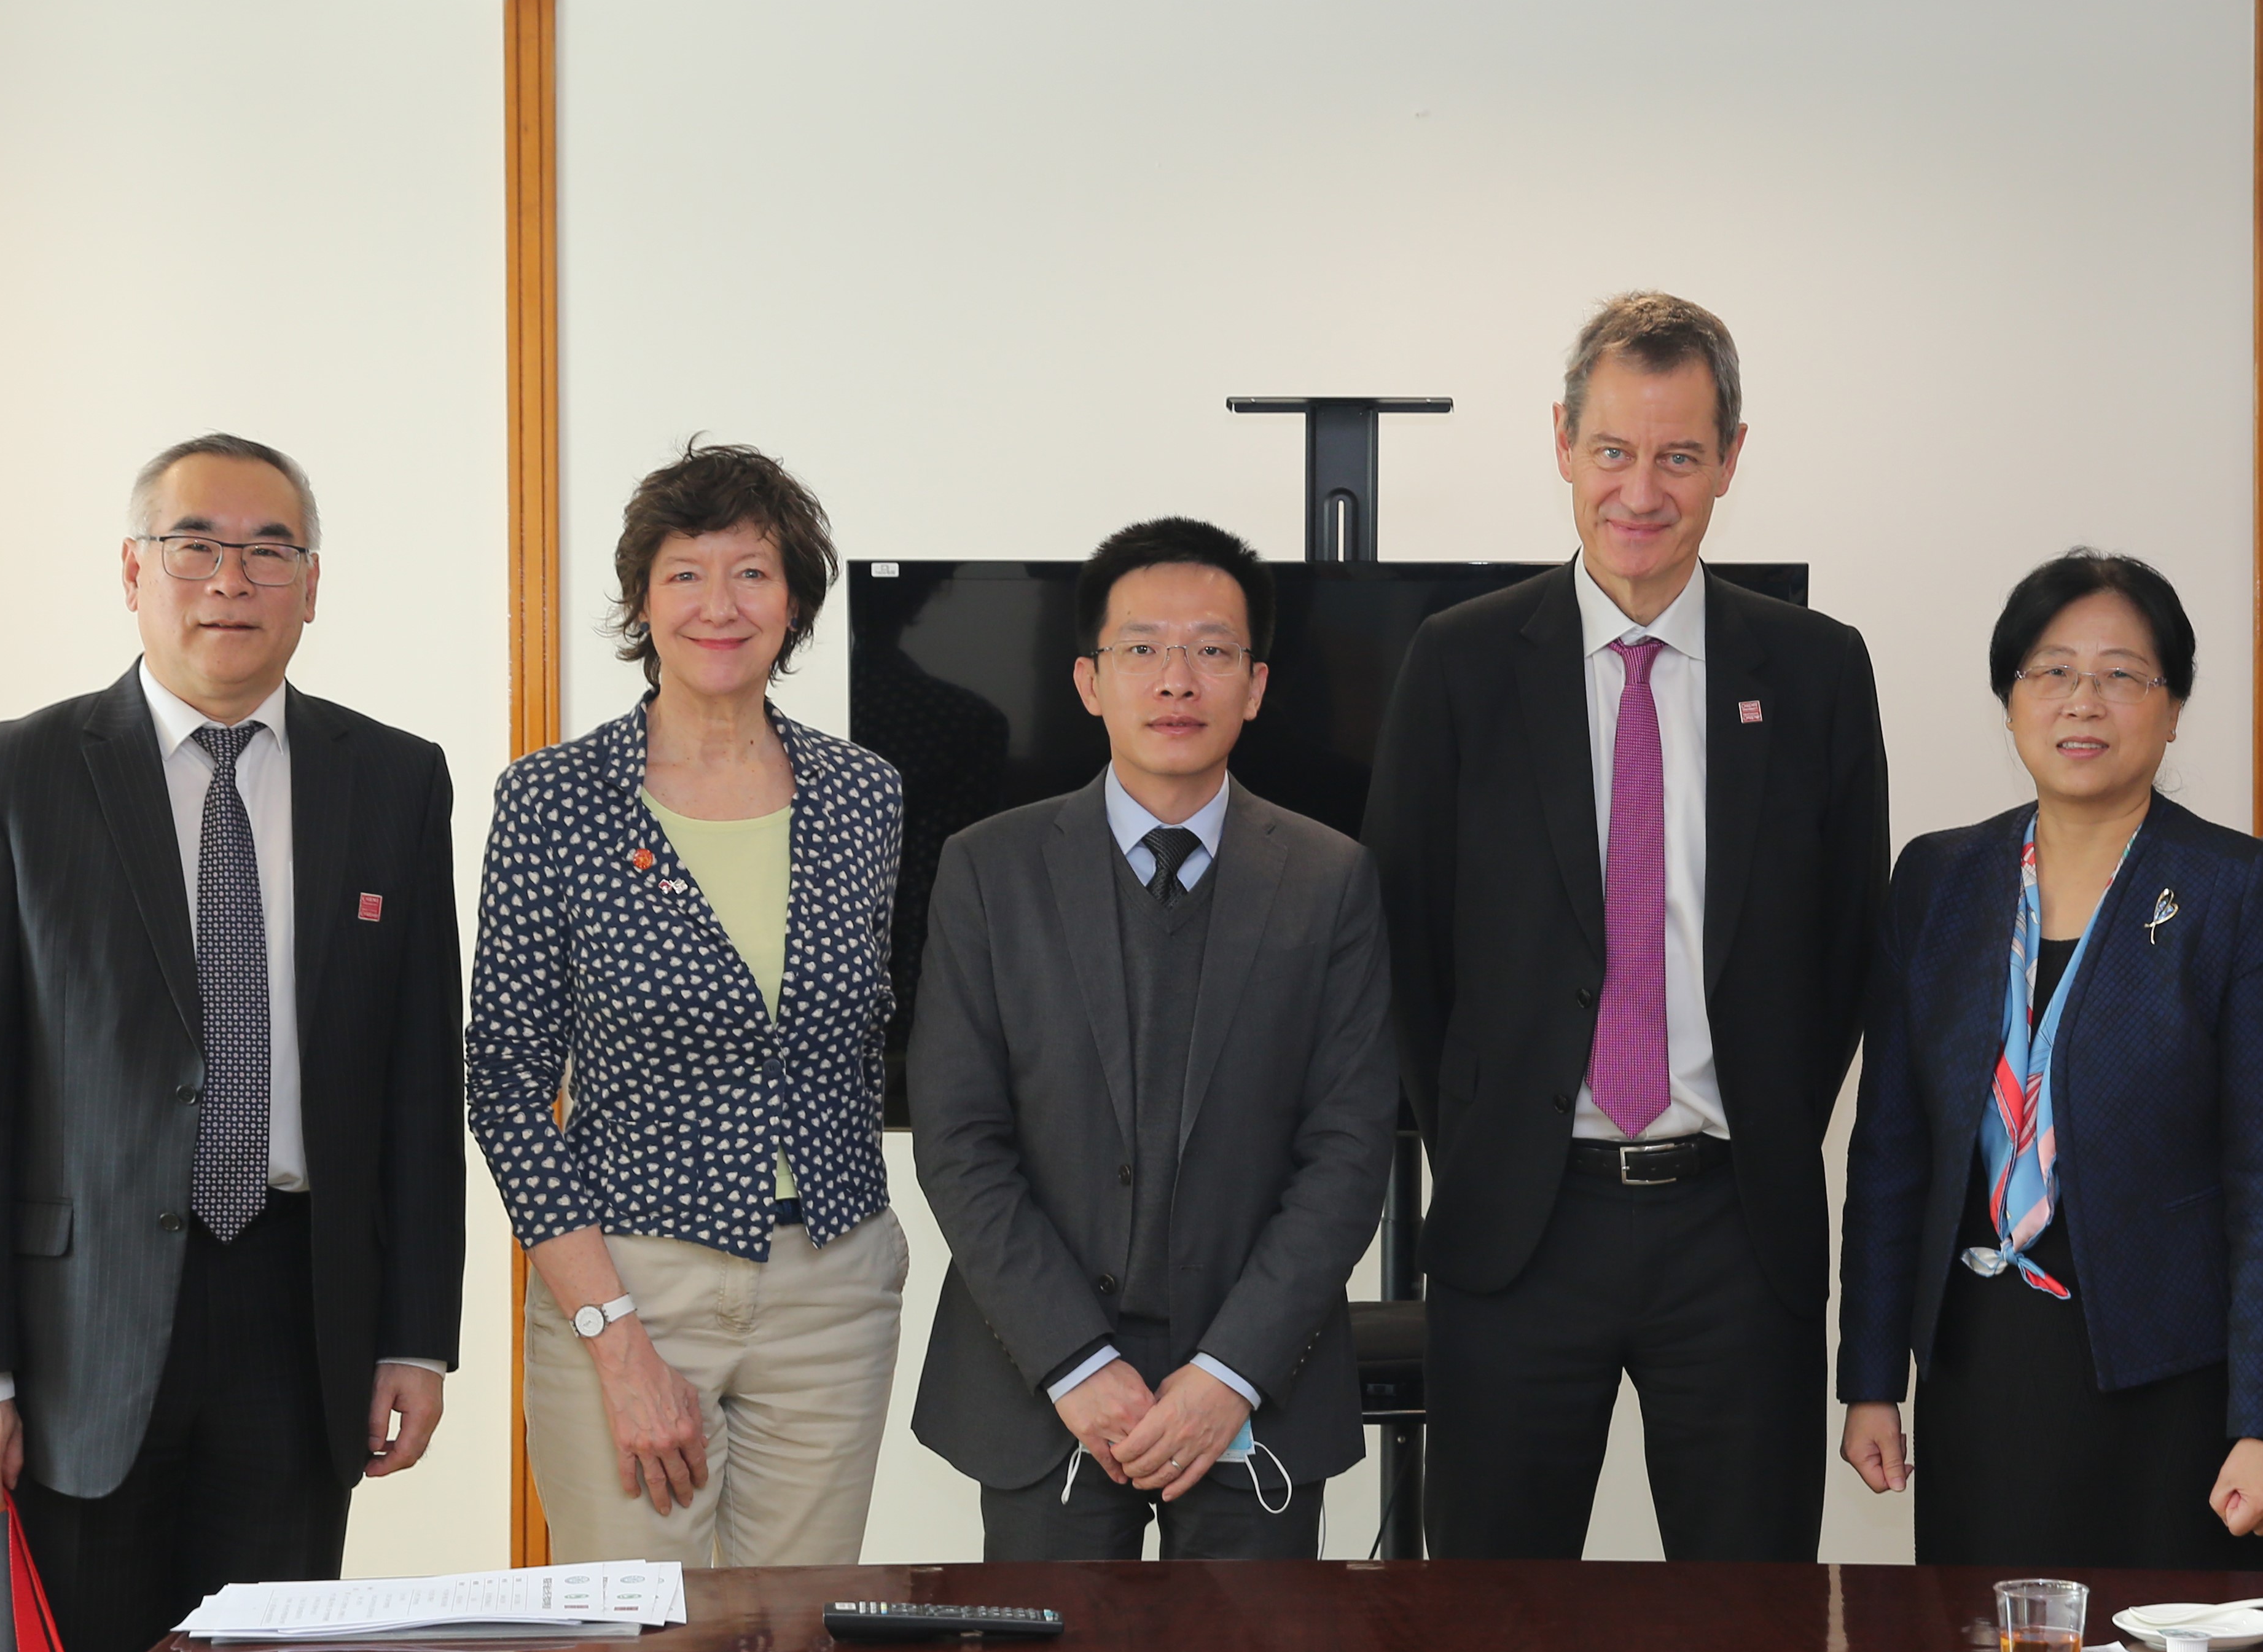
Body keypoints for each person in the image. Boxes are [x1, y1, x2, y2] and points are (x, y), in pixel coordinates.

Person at [0, 435, 464, 1652]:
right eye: (196, 545)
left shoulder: (395, 781)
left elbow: (422, 1086)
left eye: (270, 551)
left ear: (312, 585)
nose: (231, 581)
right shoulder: (14, 779)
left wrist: (417, 1337)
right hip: (75, 1339)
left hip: (301, 1320)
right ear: (133, 571)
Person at [1366, 291, 1889, 1562]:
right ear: (1561, 442)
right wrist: (1489, 1136)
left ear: (1731, 458)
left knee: (1749, 1628)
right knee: (1495, 1629)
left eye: (1679, 456)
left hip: (1736, 1231)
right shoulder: (1460, 664)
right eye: (1611, 450)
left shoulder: (1816, 672)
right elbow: (1406, 944)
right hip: (1521, 1229)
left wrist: (1765, 1117)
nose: (1640, 492)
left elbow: (1843, 953)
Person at [908, 517, 1394, 1559]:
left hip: (1255, 1385)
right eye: (1142, 648)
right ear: (1090, 682)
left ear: (1255, 687)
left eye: (1212, 650)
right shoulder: (989, 870)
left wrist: (1228, 1374)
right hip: (1043, 1389)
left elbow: (1350, 1152)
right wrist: (1076, 1365)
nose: (1177, 679)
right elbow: (959, 1141)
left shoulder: (1329, 880)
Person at [1839, 550, 2263, 1570]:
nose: (2083, 702)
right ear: (2010, 699)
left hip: (2172, 1378)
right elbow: (1891, 1150)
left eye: (2122, 675)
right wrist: (1872, 1378)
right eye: (2052, 671)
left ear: (2174, 708)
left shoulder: (2236, 890)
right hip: (1981, 1362)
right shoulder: (1939, 880)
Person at [470, 442, 906, 1567]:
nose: (720, 605)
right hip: (628, 1279)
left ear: (794, 601)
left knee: (797, 1648)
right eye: (685, 574)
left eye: (752, 572)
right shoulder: (557, 800)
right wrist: (613, 1335)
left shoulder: (865, 795)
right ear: (641, 601)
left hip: (833, 1284)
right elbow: (505, 1083)